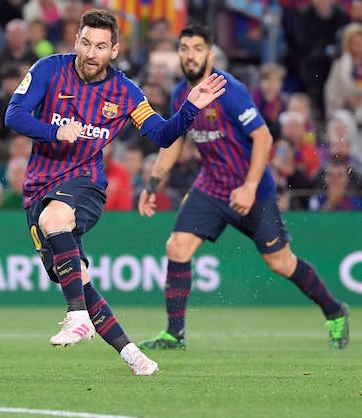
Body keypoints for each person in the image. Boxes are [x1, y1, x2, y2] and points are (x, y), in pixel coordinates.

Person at [4, 9, 227, 375]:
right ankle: (133, 356)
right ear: (76, 41)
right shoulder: (48, 69)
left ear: (115, 50)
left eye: (101, 46)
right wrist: (53, 131)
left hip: (85, 183)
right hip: (38, 188)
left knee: (55, 218)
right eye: (86, 43)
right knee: (77, 278)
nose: (92, 53)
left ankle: (75, 316)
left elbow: (162, 135)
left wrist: (189, 108)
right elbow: (14, 114)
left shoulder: (125, 92)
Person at [137, 24, 349, 351]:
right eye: (184, 48)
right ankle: (174, 333)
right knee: (177, 246)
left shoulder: (230, 90)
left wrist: (249, 187)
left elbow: (263, 137)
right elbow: (175, 139)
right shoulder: (182, 93)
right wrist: (153, 183)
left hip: (254, 190)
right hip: (211, 186)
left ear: (210, 53)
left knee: (280, 262)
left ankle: (334, 310)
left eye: (196, 48)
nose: (189, 55)